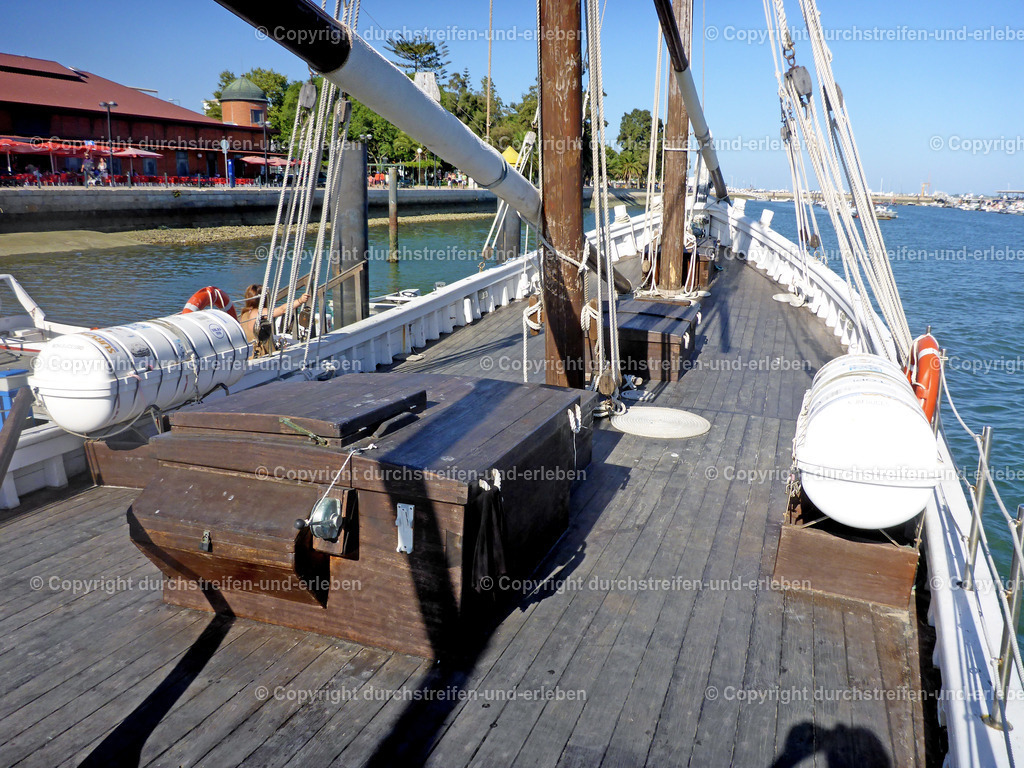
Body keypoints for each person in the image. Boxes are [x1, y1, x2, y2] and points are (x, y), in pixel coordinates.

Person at [237, 284, 310, 355]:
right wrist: (300, 301)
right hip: (261, 354)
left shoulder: (244, 314)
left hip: (249, 354)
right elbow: (282, 310)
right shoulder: (260, 312)